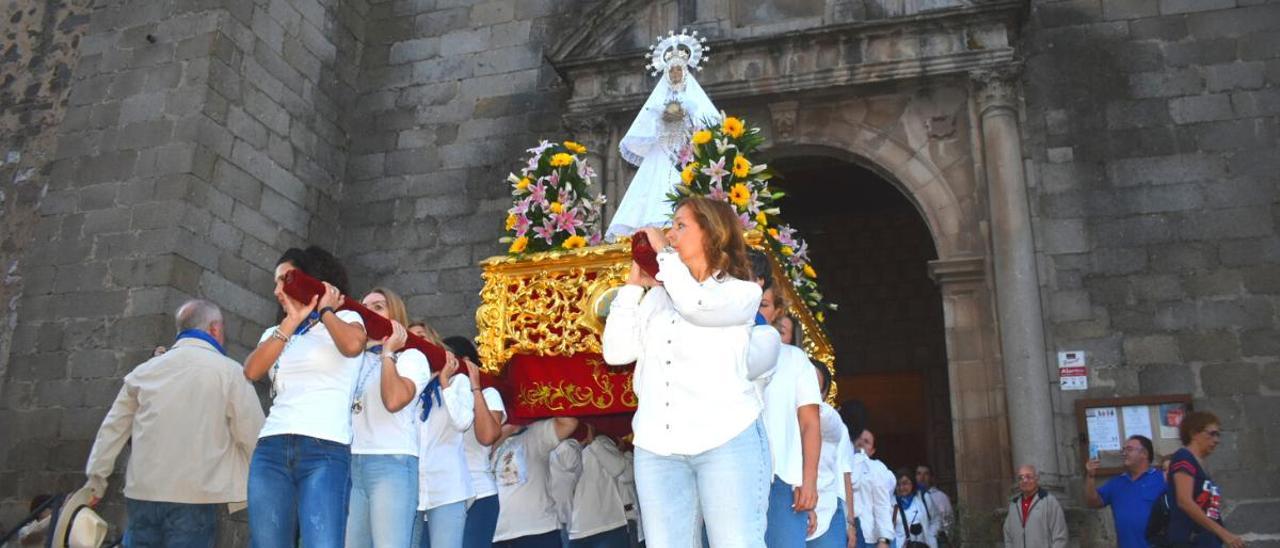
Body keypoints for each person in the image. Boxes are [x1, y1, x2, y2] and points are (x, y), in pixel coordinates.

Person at [602, 196, 775, 546]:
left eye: (681, 226)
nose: (671, 233)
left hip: (725, 439)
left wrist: (664, 255)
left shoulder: (740, 293)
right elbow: (616, 352)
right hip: (657, 446)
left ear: (712, 235)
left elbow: (697, 306)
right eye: (671, 226)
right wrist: (633, 286)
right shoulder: (657, 299)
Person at [83, 299, 265, 546]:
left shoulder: (144, 372)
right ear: (215, 329)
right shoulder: (230, 373)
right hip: (195, 495)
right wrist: (268, 484)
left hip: (142, 492)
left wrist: (96, 480)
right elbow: (254, 435)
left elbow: (112, 429)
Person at [243, 246, 368, 547]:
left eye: (284, 280)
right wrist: (291, 320)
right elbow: (251, 371)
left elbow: (353, 346)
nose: (277, 290)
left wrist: (324, 310)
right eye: (275, 283)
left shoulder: (347, 318)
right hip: (272, 448)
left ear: (310, 279)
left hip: (324, 449)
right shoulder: (276, 332)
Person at [606, 41, 719, 240]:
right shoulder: (658, 103)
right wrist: (661, 119)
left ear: (685, 71)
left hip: (687, 156)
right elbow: (648, 128)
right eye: (672, 70)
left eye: (678, 69)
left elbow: (708, 129)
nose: (675, 73)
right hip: (662, 153)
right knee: (653, 199)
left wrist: (687, 118)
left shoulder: (694, 101)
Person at [346, 288, 432, 548]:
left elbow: (394, 400)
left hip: (391, 462)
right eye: (365, 306)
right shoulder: (353, 359)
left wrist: (388, 352)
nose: (368, 312)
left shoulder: (413, 357)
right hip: (352, 462)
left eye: (379, 306)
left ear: (396, 315)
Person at [755, 280, 822, 546]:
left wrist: (809, 482)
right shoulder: (727, 349)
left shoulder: (794, 359)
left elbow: (810, 424)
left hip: (781, 480)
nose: (756, 310)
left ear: (777, 311)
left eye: (764, 304)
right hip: (733, 478)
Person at [443, 336, 509, 548]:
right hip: (443, 493)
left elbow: (487, 436)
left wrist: (475, 387)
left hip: (478, 490)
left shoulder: (489, 394)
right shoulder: (440, 394)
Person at [413, 345, 473, 548]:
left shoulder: (458, 382)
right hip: (414, 489)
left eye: (422, 337)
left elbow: (463, 421)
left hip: (448, 488)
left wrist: (444, 382)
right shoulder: (413, 385)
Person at [493, 417, 581, 547]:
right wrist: (502, 433)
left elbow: (569, 423)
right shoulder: (487, 445)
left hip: (537, 531)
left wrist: (513, 422)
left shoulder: (534, 434)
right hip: (498, 536)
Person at [1165, 411, 1245, 548]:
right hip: (1190, 540)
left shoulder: (1199, 464)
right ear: (1194, 433)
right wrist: (1223, 533)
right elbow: (1184, 501)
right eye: (1211, 433)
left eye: (1218, 434)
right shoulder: (1184, 458)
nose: (1216, 440)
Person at [1083, 435, 1166, 548]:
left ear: (1144, 454)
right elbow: (1092, 502)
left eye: (1129, 449)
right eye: (1123, 449)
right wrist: (1090, 476)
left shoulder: (1162, 479)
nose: (1124, 453)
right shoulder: (1117, 483)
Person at [807, 364, 853, 548]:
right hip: (786, 509)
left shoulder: (833, 422)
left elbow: (845, 474)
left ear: (825, 394)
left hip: (827, 510)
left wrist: (850, 523)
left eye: (813, 387)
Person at [567, 430, 632, 547]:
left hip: (608, 524)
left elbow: (618, 468)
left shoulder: (601, 440)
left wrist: (593, 443)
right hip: (576, 529)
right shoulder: (563, 447)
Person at [1002, 465, 1067, 548]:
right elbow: (1008, 535)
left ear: (1037, 478)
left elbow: (1060, 537)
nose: (1024, 480)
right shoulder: (1014, 506)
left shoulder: (1049, 502)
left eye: (1028, 476)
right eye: (1020, 478)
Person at [851, 430, 895, 548]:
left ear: (872, 450)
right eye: (859, 438)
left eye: (867, 442)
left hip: (868, 537)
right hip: (843, 532)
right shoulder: (840, 463)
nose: (861, 442)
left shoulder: (877, 468)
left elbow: (882, 504)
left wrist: (883, 540)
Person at [892, 468, 937, 548]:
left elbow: (936, 519)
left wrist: (931, 535)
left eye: (905, 483)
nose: (902, 488)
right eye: (898, 485)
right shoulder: (892, 504)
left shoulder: (923, 498)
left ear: (912, 483)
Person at [915, 465, 953, 545]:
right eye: (919, 474)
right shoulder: (912, 497)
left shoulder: (941, 497)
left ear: (931, 477)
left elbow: (948, 522)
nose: (922, 477)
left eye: (926, 474)